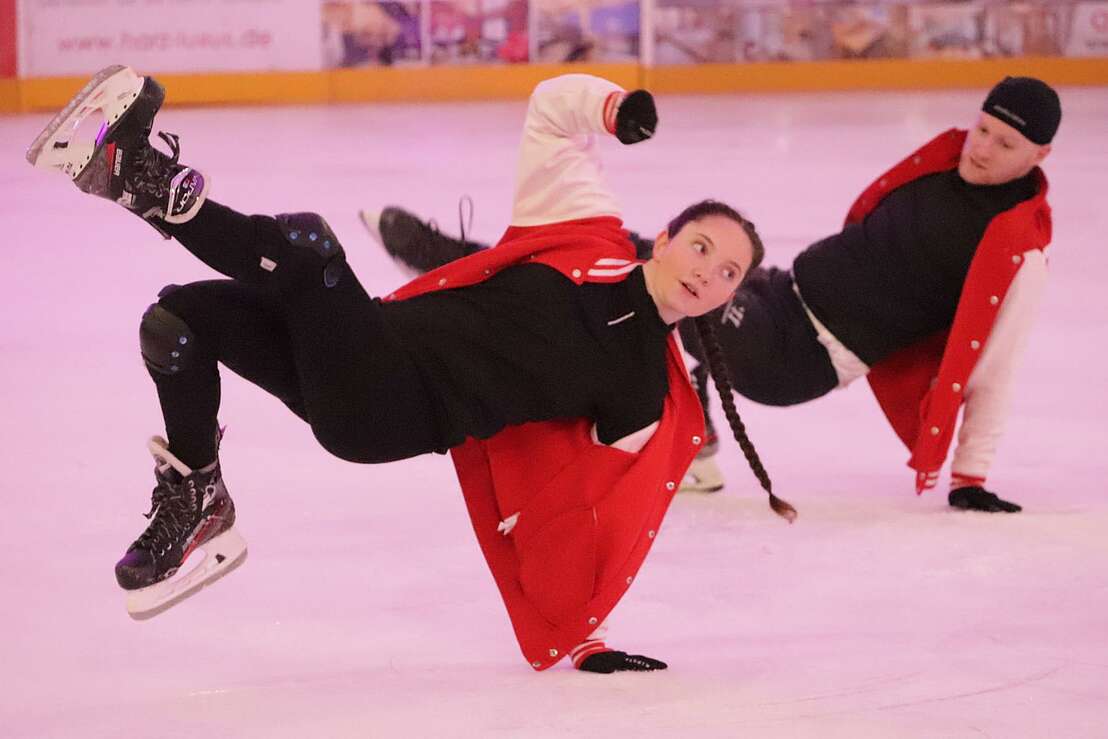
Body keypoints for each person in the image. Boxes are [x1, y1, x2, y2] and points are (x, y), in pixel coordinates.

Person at [27, 66, 794, 673]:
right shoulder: (581, 232)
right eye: (702, 247)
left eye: (729, 272)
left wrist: (581, 632)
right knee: (178, 322)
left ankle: (132, 180)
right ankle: (198, 496)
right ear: (665, 237)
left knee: (306, 251)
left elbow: (601, 516)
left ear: (730, 295)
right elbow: (552, 114)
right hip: (366, 342)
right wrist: (613, 108)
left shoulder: (644, 391)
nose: (709, 272)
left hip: (394, 407)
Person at [360, 76, 1060, 512]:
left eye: (1003, 144)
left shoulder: (1015, 246)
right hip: (779, 292)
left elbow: (996, 361)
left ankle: (453, 260)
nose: (981, 147)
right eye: (983, 128)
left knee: (648, 273)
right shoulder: (942, 164)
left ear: (1040, 157)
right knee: (637, 257)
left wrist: (969, 473)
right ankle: (690, 445)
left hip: (804, 354)